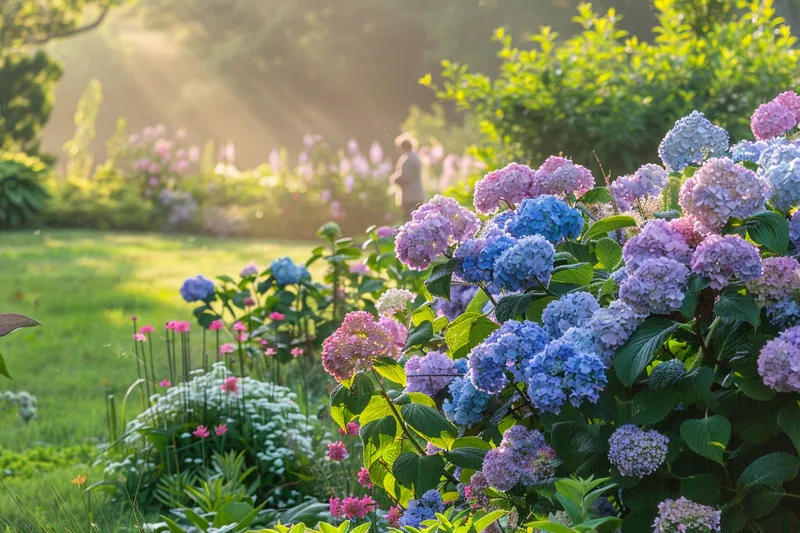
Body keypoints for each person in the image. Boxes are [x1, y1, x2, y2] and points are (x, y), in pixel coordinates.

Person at [390, 134, 424, 218]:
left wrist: (393, 179)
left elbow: (405, 177)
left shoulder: (407, 159)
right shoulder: (417, 157)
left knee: (409, 220)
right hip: (419, 194)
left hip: (409, 196)